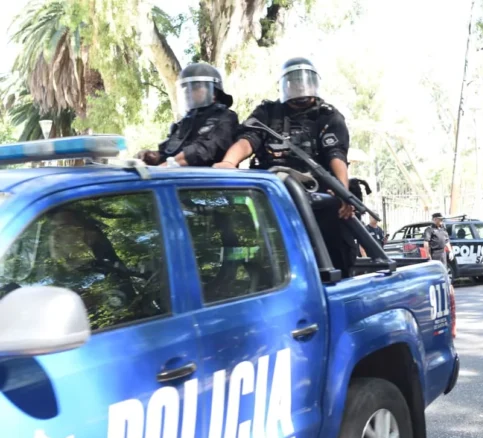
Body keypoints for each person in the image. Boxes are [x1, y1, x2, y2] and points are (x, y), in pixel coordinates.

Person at [213, 57, 357, 278]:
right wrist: (229, 162)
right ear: (285, 84)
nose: (300, 86)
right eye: (294, 81)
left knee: (333, 245)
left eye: (304, 80)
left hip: (314, 195)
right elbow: (249, 138)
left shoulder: (328, 115)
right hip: (271, 196)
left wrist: (342, 189)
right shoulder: (267, 112)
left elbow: (336, 153)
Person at [136, 63, 238, 167]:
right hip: (182, 180)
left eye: (196, 87)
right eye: (187, 88)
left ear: (214, 92)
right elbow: (170, 152)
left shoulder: (226, 118)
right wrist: (153, 156)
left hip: (211, 181)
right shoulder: (186, 121)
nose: (190, 92)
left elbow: (203, 150)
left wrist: (165, 167)